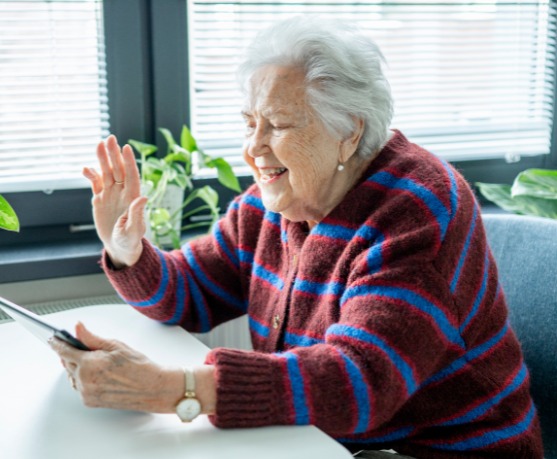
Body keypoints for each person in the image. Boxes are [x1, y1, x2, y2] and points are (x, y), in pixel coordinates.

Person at [48, 15, 543, 458]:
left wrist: (171, 389)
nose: (253, 147)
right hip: (323, 443)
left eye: (278, 125)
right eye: (249, 122)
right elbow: (189, 293)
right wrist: (127, 249)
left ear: (349, 132)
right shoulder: (281, 198)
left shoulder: (418, 208)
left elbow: (359, 382)